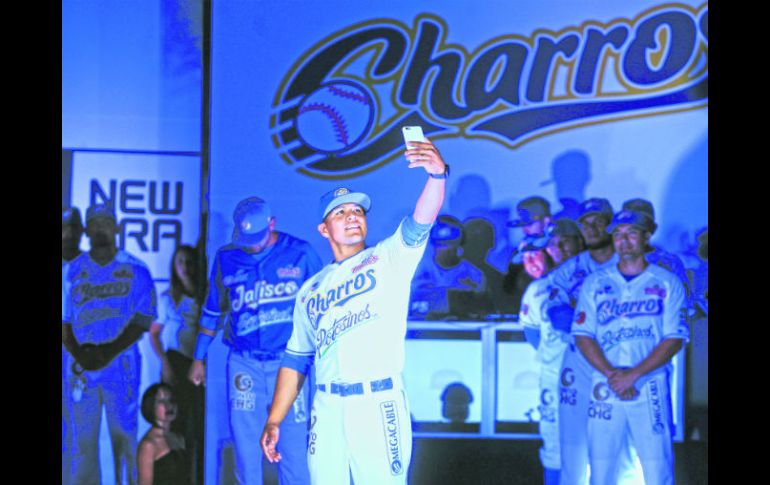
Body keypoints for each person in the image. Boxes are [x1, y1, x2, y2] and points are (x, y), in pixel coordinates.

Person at [260, 137, 448, 484]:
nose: (352, 217)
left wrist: (437, 177)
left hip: (377, 402)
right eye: (341, 212)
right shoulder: (310, 290)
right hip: (327, 405)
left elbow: (421, 220)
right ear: (323, 228)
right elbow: (296, 358)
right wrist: (274, 419)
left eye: (358, 211)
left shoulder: (388, 258)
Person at [188, 196, 323, 485]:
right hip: (244, 363)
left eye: (258, 237)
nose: (252, 245)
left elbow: (324, 307)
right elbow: (213, 311)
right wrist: (198, 357)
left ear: (272, 224)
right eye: (246, 238)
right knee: (246, 451)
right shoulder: (227, 257)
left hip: (290, 364)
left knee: (294, 451)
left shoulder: (301, 253)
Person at [572, 209, 689, 485]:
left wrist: (633, 375)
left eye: (631, 233)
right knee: (600, 468)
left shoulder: (667, 282)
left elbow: (674, 338)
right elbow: (583, 334)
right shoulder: (595, 283)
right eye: (618, 234)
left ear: (646, 236)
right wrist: (614, 375)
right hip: (605, 384)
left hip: (649, 385)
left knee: (657, 467)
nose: (623, 240)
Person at [62, 203, 158, 485]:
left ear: (116, 227)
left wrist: (108, 351)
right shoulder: (71, 271)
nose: (100, 229)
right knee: (83, 441)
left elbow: (143, 319)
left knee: (123, 437)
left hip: (121, 363)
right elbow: (64, 321)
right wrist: (81, 355)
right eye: (95, 223)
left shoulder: (136, 268)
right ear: (87, 230)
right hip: (82, 365)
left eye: (106, 222)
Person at [517, 222, 583, 485]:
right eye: (555, 242)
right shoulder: (538, 289)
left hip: (594, 376)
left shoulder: (599, 278)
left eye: (568, 240)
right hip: (554, 377)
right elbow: (533, 334)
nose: (562, 247)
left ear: (580, 242)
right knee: (554, 446)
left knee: (598, 444)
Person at [149, 244, 205, 485]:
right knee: (175, 421)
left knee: (196, 422)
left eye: (189, 262)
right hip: (175, 361)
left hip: (198, 363)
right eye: (180, 262)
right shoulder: (167, 298)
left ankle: (195, 476)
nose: (185, 267)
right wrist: (165, 364)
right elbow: (154, 334)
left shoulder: (203, 296)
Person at [62, 206, 85, 485]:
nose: (68, 233)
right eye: (63, 227)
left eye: (72, 227)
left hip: (77, 353)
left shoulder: (90, 265)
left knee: (76, 424)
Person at [137, 383, 189, 485]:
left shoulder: (178, 438)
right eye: (162, 401)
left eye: (171, 400)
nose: (169, 405)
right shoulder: (148, 446)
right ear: (151, 405)